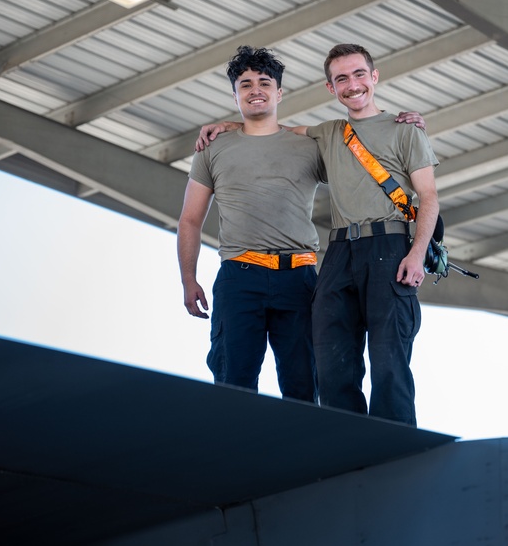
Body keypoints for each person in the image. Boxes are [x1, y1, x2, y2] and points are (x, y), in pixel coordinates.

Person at [198, 44, 439, 426]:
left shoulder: (404, 130)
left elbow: (429, 197)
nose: (352, 84)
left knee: (388, 359)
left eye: (359, 74)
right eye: (341, 78)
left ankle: (392, 446)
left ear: (374, 77)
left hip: (390, 246)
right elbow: (273, 132)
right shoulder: (328, 134)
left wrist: (416, 252)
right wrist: (230, 126)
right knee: (330, 364)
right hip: (339, 251)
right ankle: (346, 444)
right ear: (331, 88)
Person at [177, 46, 325, 402]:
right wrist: (188, 279)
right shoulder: (213, 147)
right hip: (240, 277)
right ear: (235, 94)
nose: (255, 89)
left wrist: (402, 123)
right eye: (245, 84)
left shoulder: (310, 145)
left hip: (300, 279)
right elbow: (190, 219)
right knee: (233, 382)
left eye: (264, 82)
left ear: (279, 92)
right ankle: (232, 455)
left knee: (305, 385)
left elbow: (361, 151)